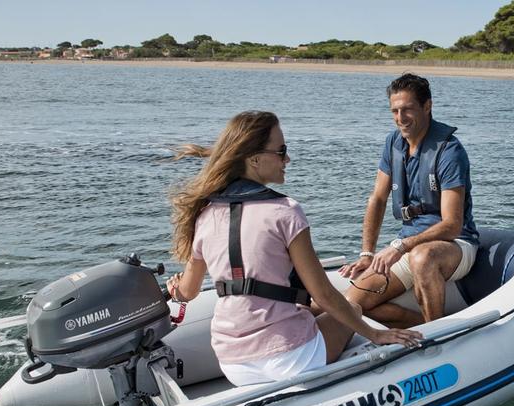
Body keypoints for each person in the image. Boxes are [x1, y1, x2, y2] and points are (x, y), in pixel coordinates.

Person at [166, 111, 421, 386]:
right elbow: (323, 294)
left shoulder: (205, 216)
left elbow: (188, 292)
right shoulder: (285, 212)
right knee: (353, 310)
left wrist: (174, 288)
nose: (287, 159)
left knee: (303, 311)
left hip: (233, 364)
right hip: (291, 359)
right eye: (281, 151)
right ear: (254, 159)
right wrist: (374, 334)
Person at [339, 73, 480, 329]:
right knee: (351, 304)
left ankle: (435, 335)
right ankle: (418, 323)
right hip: (408, 244)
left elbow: (452, 225)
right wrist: (367, 253)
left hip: (454, 245)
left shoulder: (450, 152)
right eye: (395, 110)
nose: (400, 118)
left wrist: (401, 247)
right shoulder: (393, 143)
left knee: (422, 257)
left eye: (407, 109)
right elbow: (378, 198)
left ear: (427, 106)